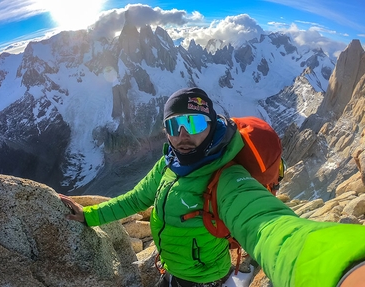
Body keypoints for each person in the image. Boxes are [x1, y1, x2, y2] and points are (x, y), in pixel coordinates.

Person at [59, 87, 365, 287]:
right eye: (173, 126)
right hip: (172, 270)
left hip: (206, 280)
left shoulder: (227, 177)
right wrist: (89, 216)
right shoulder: (168, 164)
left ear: (212, 124)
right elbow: (135, 198)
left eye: (192, 124)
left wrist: (340, 270)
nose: (182, 135)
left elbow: (268, 226)